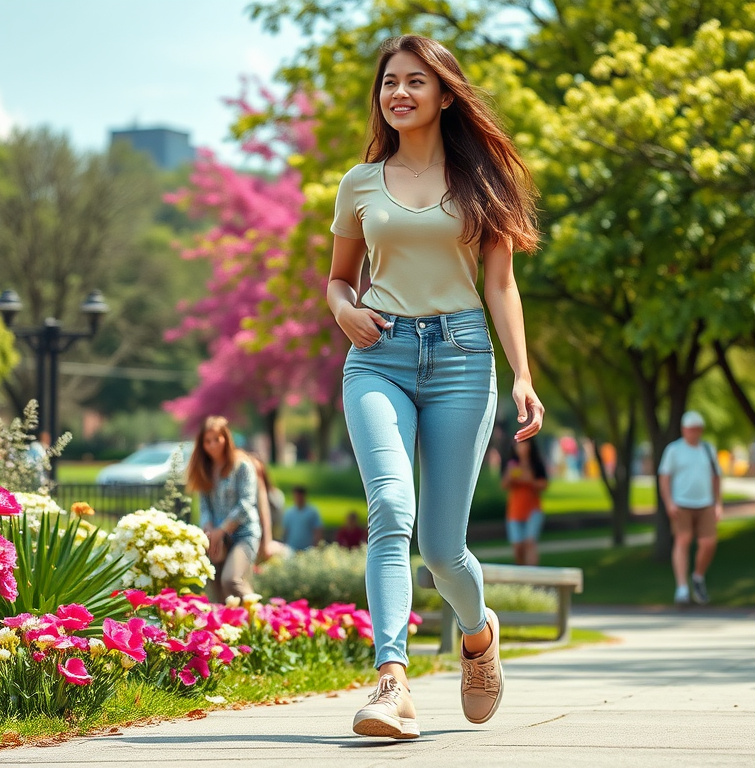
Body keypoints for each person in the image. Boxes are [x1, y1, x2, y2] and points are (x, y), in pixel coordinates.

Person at [327, 35, 544, 739]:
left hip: (460, 357)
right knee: (390, 506)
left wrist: (523, 376)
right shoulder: (359, 184)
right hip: (379, 356)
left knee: (443, 549)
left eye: (416, 81)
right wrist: (343, 310)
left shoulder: (479, 181)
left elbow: (501, 285)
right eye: (390, 81)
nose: (400, 93)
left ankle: (478, 637)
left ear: (444, 93)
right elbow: (337, 278)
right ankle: (391, 681)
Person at [185, 416, 265, 601]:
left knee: (231, 580)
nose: (213, 445)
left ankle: (265, 617)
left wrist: (221, 530)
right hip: (218, 536)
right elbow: (204, 507)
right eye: (207, 441)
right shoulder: (204, 469)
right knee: (214, 584)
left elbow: (246, 504)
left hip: (244, 533)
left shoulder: (243, 465)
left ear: (226, 438)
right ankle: (229, 627)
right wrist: (209, 531)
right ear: (201, 443)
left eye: (217, 439)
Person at [658, 411, 722, 606]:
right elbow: (664, 477)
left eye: (696, 429)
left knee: (708, 542)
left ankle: (698, 576)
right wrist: (669, 502)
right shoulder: (674, 450)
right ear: (683, 430)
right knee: (683, 539)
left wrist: (718, 502)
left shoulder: (708, 450)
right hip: (682, 503)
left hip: (705, 503)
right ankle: (682, 588)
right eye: (689, 429)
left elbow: (716, 477)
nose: (693, 433)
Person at [501, 438, 548, 566]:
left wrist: (530, 481)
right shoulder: (511, 465)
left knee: (530, 543)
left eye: (524, 444)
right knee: (518, 547)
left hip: (533, 510)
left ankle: (533, 575)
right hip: (515, 511)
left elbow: (544, 484)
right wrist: (510, 477)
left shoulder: (536, 464)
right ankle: (522, 574)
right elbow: (504, 485)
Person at [282, 486, 323, 552]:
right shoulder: (289, 512)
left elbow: (318, 530)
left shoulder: (312, 512)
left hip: (308, 549)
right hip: (291, 548)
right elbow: (285, 530)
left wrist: (315, 546)